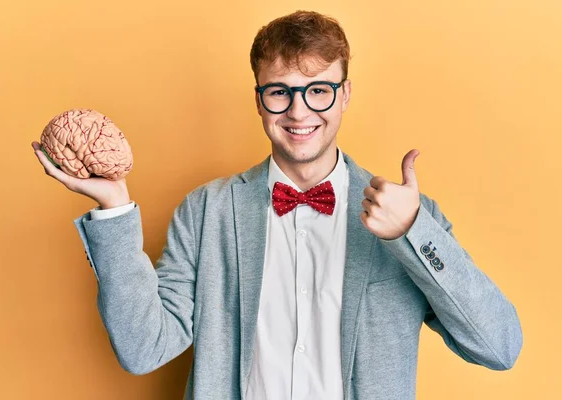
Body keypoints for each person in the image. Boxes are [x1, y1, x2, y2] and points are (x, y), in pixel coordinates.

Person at [31, 10, 522, 400]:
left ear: (345, 94)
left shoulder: (406, 213)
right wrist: (115, 207)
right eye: (280, 92)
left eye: (319, 91)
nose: (299, 110)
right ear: (259, 100)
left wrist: (414, 231)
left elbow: (499, 347)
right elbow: (143, 348)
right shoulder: (207, 212)